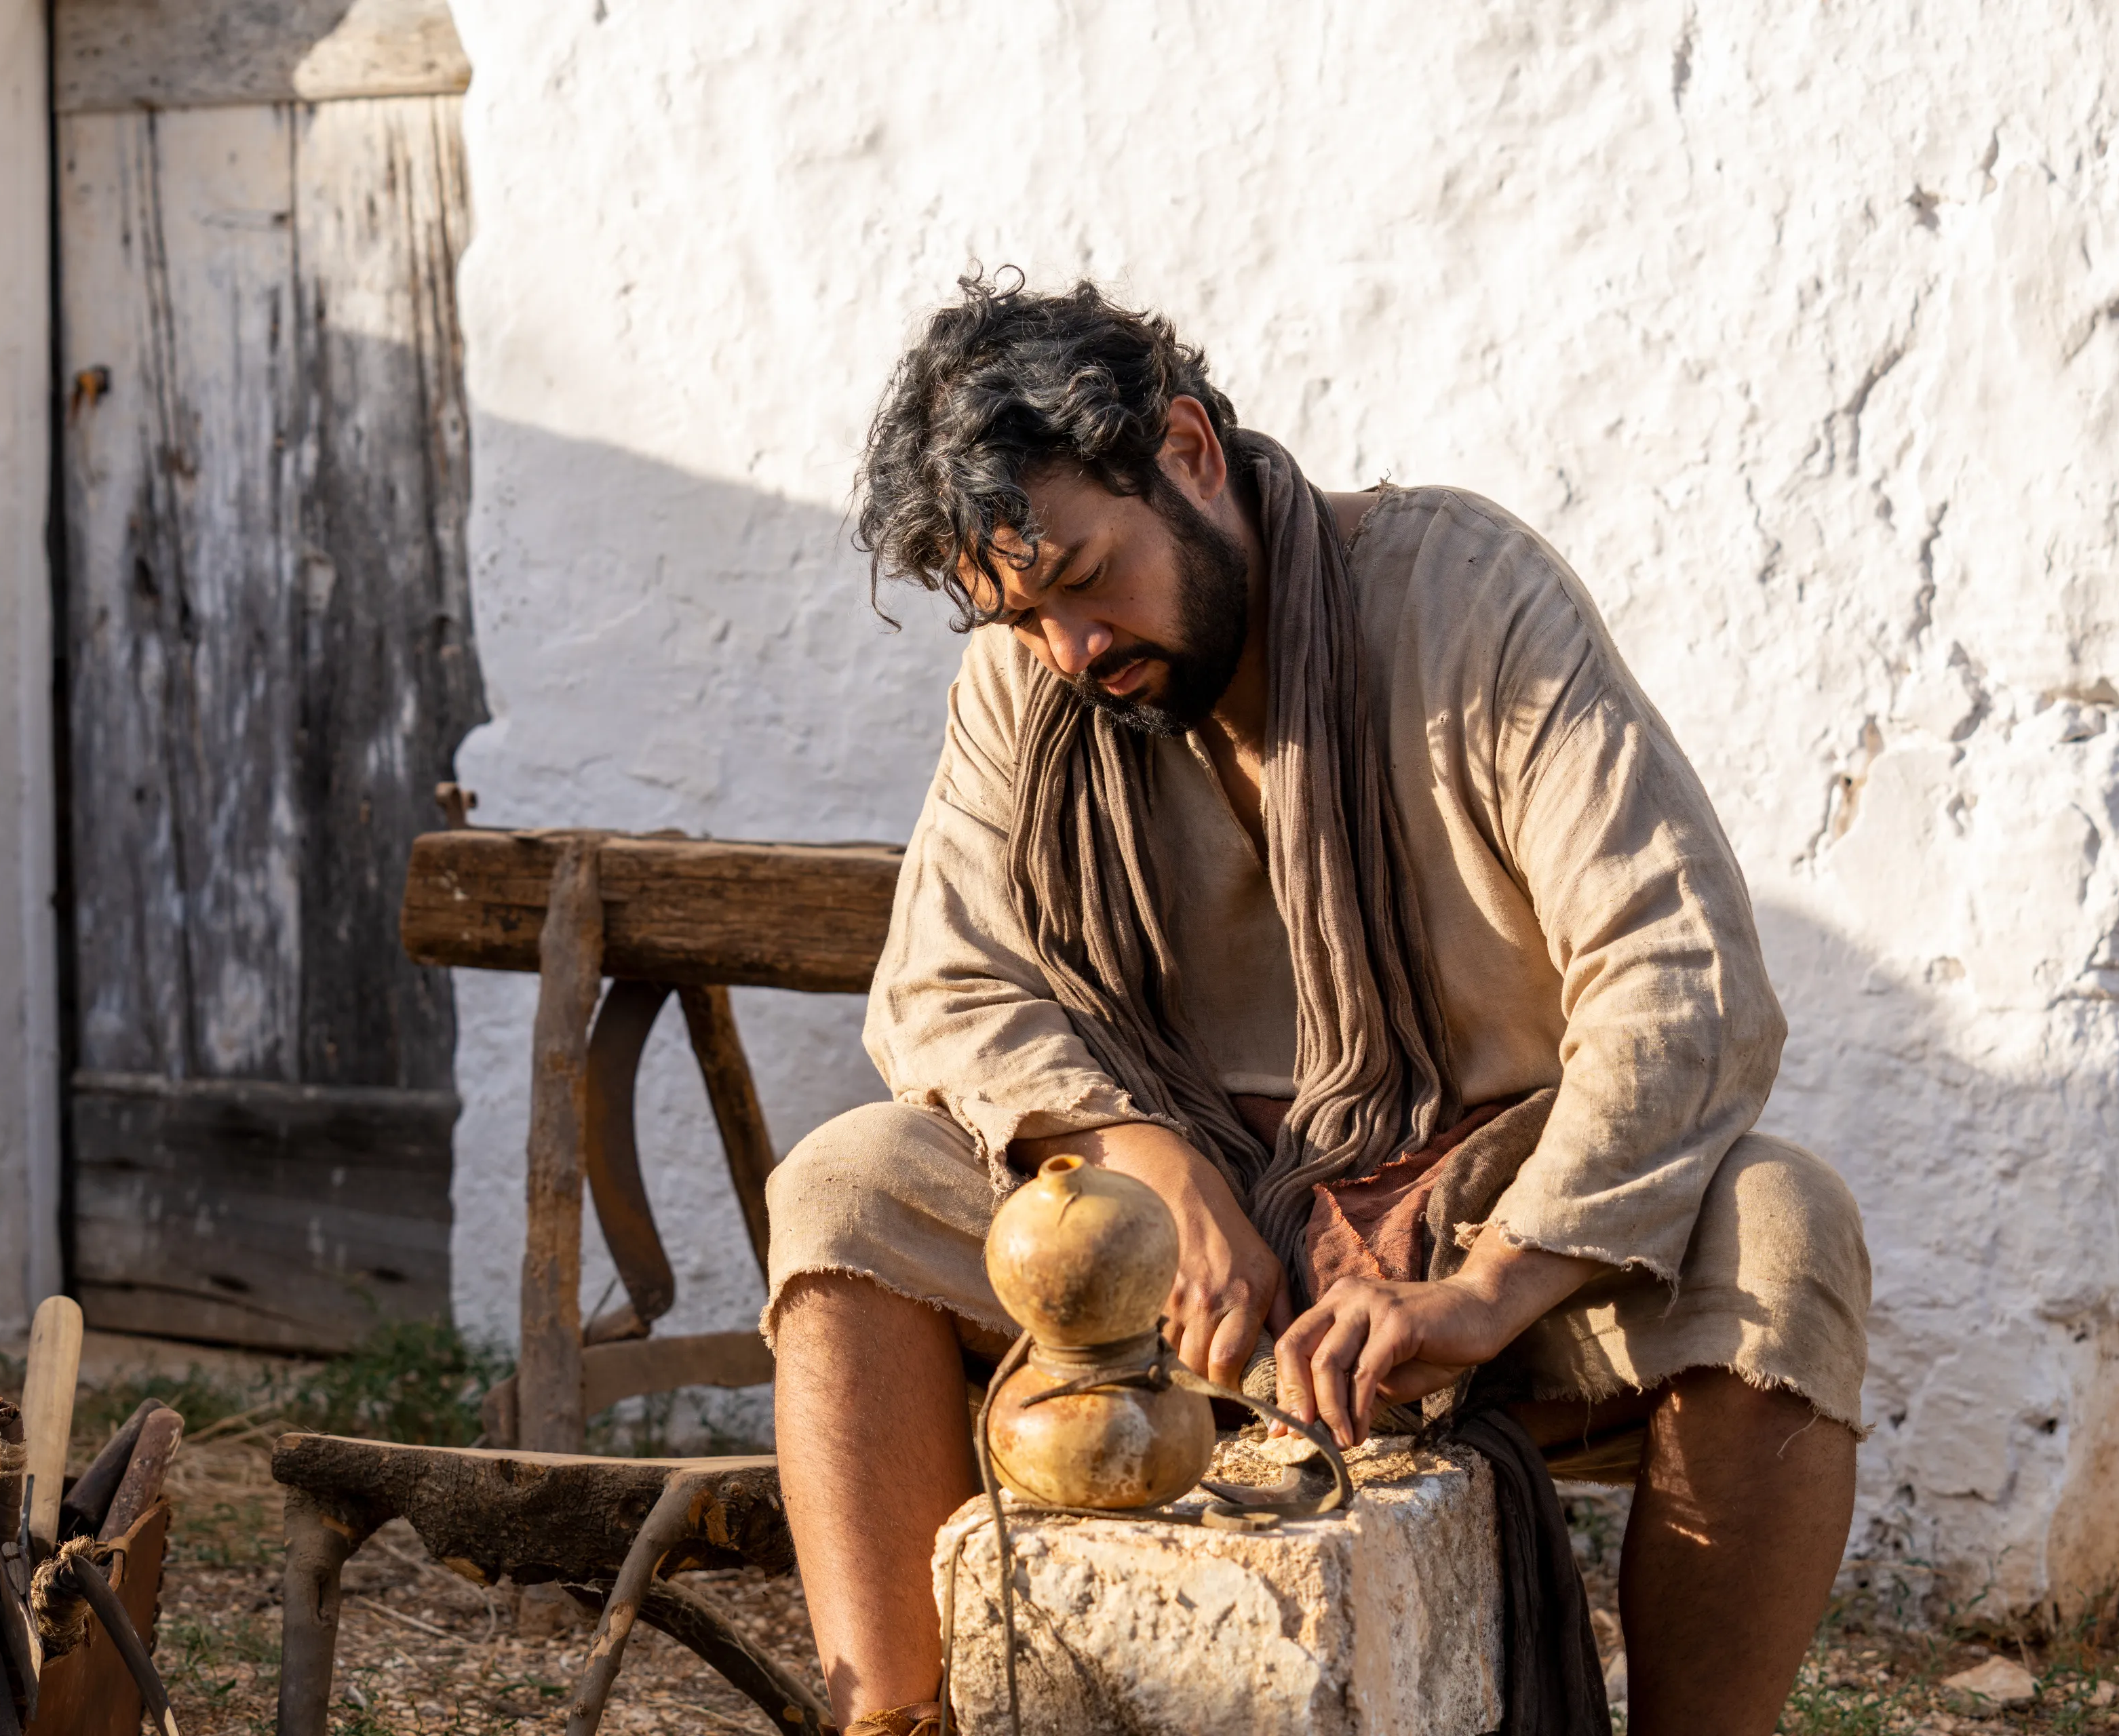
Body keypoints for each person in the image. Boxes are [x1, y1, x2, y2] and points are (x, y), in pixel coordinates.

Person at [764, 275, 1870, 1736]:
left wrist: (1489, 1287)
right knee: (845, 1187)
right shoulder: (1032, 681)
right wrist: (1152, 1170)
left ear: (1186, 452)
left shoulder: (1469, 597)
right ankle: (890, 1725)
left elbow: (1683, 976)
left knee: (1782, 1228)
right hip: (1172, 1266)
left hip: (1489, 1215)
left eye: (1088, 574)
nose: (1072, 649)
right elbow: (947, 982)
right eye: (1024, 616)